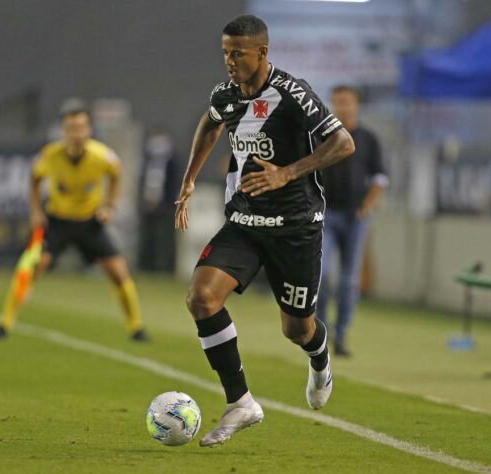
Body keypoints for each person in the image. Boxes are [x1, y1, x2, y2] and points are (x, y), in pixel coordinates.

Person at [174, 15, 354, 447]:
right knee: (201, 297)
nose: (229, 61)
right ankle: (241, 403)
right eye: (225, 53)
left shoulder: (293, 94)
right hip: (245, 223)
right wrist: (190, 179)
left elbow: (342, 142)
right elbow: (211, 122)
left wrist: (287, 173)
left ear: (262, 52)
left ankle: (320, 356)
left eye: (237, 53)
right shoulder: (228, 94)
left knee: (296, 329)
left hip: (296, 228)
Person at [0, 99, 148, 341]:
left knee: (118, 271)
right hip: (58, 222)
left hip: (89, 223)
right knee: (31, 266)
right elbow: (34, 180)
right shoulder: (49, 156)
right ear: (64, 131)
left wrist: (109, 206)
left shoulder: (102, 156)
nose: (77, 133)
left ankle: (136, 328)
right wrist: (35, 211)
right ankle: (5, 324)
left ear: (88, 129)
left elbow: (116, 174)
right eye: (71, 128)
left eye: (81, 127)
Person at [316, 85, 387, 356]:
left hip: (356, 217)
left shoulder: (368, 139)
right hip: (327, 214)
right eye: (337, 102)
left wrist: (368, 204)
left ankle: (341, 333)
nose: (342, 107)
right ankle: (320, 333)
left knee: (349, 280)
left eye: (346, 102)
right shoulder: (323, 136)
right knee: (321, 276)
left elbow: (380, 177)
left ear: (356, 104)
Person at [138, 130, 181, 273]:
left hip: (166, 207)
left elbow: (174, 184)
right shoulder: (147, 162)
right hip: (148, 206)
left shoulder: (173, 162)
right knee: (147, 238)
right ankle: (145, 268)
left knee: (165, 240)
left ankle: (165, 269)